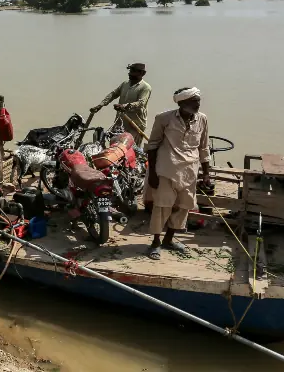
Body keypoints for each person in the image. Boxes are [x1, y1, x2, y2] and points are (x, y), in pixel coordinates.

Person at [144, 87, 210, 260]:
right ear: (182, 103)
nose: (197, 104)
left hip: (190, 171)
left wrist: (206, 173)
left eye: (198, 101)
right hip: (166, 169)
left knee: (184, 206)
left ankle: (169, 239)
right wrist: (152, 174)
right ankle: (156, 243)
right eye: (193, 101)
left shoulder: (202, 119)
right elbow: (152, 146)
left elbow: (204, 147)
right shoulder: (163, 118)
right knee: (162, 207)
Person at [90, 63, 152, 146]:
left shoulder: (145, 87)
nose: (130, 73)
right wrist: (101, 105)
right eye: (130, 71)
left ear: (142, 73)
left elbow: (141, 103)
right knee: (114, 146)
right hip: (120, 122)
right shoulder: (125, 84)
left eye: (133, 71)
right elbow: (113, 94)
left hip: (135, 124)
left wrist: (124, 106)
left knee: (130, 149)